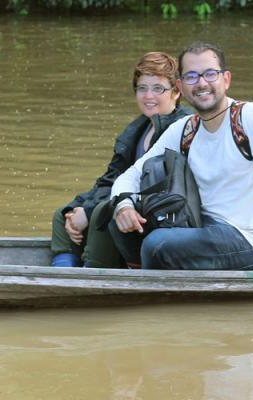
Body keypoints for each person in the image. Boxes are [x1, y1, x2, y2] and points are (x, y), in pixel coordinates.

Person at [109, 41, 253, 270]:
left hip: (252, 242)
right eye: (192, 76)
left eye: (210, 74)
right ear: (181, 85)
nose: (201, 83)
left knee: (157, 244)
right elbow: (133, 173)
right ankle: (145, 283)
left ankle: (155, 298)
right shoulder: (185, 129)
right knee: (120, 223)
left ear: (226, 79)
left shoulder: (248, 116)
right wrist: (124, 205)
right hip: (204, 229)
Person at [49, 52, 190, 267]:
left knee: (101, 212)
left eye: (158, 88)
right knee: (62, 215)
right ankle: (62, 275)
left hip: (158, 215)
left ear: (176, 91)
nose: (148, 96)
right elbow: (111, 179)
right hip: (125, 198)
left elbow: (163, 187)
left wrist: (89, 211)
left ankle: (91, 273)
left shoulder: (183, 128)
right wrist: (77, 209)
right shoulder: (137, 129)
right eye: (142, 88)